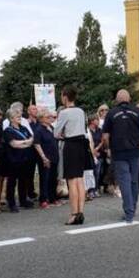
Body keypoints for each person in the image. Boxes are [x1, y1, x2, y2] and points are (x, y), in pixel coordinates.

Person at [102, 90, 139, 223]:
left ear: (117, 100)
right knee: (134, 180)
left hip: (119, 153)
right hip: (136, 151)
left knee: (124, 181)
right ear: (129, 99)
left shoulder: (111, 113)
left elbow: (105, 136)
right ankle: (133, 208)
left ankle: (129, 212)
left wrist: (108, 148)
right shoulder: (138, 111)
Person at [54, 86, 88, 225]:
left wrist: (63, 135)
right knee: (80, 180)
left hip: (71, 145)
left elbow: (56, 133)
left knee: (72, 181)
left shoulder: (64, 113)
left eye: (62, 96)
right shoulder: (80, 111)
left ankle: (74, 214)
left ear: (66, 97)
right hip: (81, 145)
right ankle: (81, 212)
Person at [3, 108, 35, 213]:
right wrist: (25, 143)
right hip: (13, 160)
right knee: (12, 182)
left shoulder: (24, 128)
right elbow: (13, 144)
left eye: (20, 116)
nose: (19, 118)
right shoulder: (8, 131)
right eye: (17, 117)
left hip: (24, 158)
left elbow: (32, 140)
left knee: (23, 180)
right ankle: (11, 203)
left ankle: (23, 200)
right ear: (11, 119)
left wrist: (23, 143)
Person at [34, 109, 61, 209]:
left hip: (54, 157)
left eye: (50, 117)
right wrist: (44, 158)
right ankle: (43, 199)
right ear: (41, 119)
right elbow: (37, 144)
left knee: (53, 179)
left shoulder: (51, 127)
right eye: (47, 117)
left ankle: (52, 198)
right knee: (44, 179)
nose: (50, 118)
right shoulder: (38, 129)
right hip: (45, 158)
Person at [87, 115, 103, 199]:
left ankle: (96, 189)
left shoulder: (99, 130)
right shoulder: (87, 131)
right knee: (90, 173)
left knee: (97, 173)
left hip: (98, 153)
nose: (98, 121)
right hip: (90, 154)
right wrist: (93, 151)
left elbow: (102, 140)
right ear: (92, 121)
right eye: (96, 119)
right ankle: (90, 190)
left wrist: (97, 149)